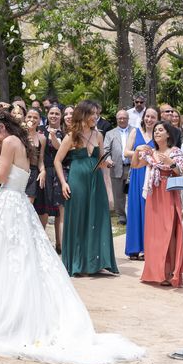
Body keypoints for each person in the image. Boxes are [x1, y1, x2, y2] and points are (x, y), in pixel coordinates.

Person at [0, 109, 144, 364]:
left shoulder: (8, 142)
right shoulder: (16, 140)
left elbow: (0, 176)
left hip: (10, 201)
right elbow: (0, 170)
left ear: (1, 129)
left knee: (1, 259)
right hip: (13, 201)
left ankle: (0, 316)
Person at [54, 100, 118, 276]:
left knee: (97, 219)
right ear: (83, 114)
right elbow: (57, 161)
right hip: (77, 181)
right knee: (79, 219)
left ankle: (95, 262)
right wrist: (64, 182)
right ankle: (77, 262)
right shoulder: (71, 136)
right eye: (93, 114)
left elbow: (100, 161)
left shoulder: (98, 135)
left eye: (97, 114)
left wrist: (108, 163)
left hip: (96, 181)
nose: (96, 117)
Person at [132, 120, 183, 287]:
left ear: (168, 134)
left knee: (169, 233)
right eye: (155, 130)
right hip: (153, 195)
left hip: (169, 193)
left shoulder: (175, 151)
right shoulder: (150, 153)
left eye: (160, 130)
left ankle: (172, 272)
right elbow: (135, 165)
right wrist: (136, 150)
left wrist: (171, 163)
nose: (156, 133)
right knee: (154, 235)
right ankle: (158, 273)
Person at [124, 108, 159, 260]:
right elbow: (126, 152)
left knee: (148, 210)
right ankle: (133, 248)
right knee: (135, 209)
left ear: (157, 119)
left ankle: (147, 247)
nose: (149, 119)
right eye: (147, 116)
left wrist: (152, 154)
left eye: (153, 117)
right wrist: (139, 151)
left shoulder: (158, 134)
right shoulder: (135, 132)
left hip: (151, 174)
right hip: (137, 173)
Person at [39, 105, 65, 252]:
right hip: (45, 171)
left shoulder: (62, 133)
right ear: (47, 115)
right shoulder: (41, 130)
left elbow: (58, 148)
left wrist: (53, 135)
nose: (54, 116)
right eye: (51, 113)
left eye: (57, 113)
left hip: (58, 171)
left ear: (60, 116)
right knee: (44, 208)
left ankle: (59, 243)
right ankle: (42, 242)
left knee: (58, 210)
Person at [104, 110, 132, 225]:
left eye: (124, 118)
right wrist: (108, 159)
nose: (122, 120)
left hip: (132, 167)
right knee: (118, 194)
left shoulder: (135, 131)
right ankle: (121, 216)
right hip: (116, 167)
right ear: (116, 119)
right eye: (119, 118)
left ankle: (133, 215)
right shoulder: (110, 133)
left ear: (128, 118)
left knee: (133, 193)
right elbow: (106, 150)